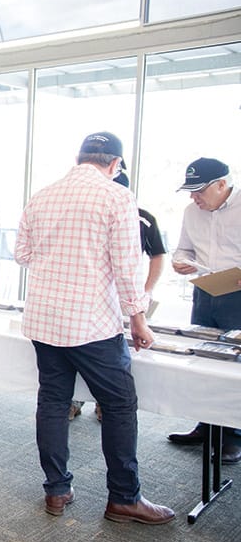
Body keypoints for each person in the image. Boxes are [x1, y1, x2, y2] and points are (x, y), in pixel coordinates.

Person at [14, 131, 174, 524]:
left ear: (79, 157)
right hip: (91, 323)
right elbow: (126, 266)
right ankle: (124, 497)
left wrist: (59, 262)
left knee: (52, 402)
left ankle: (57, 490)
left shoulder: (43, 195)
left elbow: (21, 254)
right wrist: (138, 318)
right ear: (115, 164)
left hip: (44, 319)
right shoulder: (117, 197)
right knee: (119, 405)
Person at [69, 168, 167, 422]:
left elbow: (157, 255)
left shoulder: (142, 218)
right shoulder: (81, 214)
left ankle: (105, 402)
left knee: (116, 354)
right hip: (90, 301)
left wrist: (143, 293)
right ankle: (77, 399)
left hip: (127, 298)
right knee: (82, 348)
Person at [166, 157, 241, 464]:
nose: (193, 198)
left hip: (237, 294)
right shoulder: (191, 212)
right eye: (190, 191)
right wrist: (180, 262)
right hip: (204, 291)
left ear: (222, 185)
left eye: (199, 191)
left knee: (234, 365)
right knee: (202, 356)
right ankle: (205, 424)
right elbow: (183, 249)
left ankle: (233, 434)